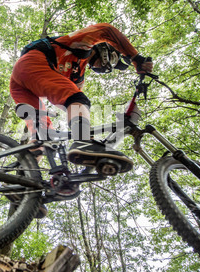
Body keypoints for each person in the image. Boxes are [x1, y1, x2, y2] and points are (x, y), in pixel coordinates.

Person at [10, 22, 153, 185]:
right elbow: (106, 30)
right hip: (32, 63)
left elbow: (71, 106)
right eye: (112, 59)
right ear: (105, 50)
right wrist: (136, 58)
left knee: (42, 138)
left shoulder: (78, 75)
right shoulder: (81, 45)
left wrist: (92, 143)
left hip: (20, 85)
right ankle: (83, 142)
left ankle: (22, 186)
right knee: (78, 99)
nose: (108, 66)